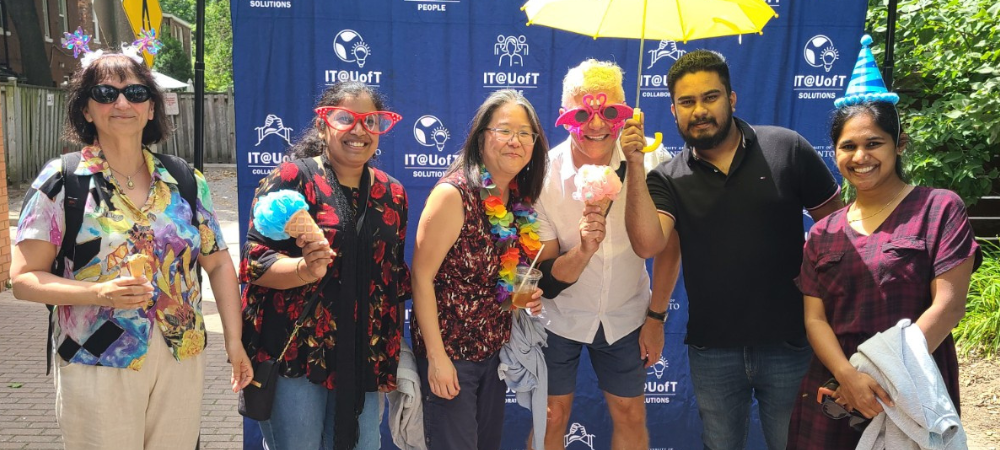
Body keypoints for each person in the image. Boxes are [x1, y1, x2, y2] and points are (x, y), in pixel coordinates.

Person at [10, 49, 252, 449]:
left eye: (136, 92)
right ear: (86, 110)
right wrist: (97, 292)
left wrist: (233, 340)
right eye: (105, 93)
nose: (122, 102)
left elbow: (220, 265)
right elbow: (23, 280)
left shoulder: (185, 180)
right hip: (96, 356)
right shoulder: (63, 180)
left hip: (181, 355)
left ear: (151, 107)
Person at [623, 50, 843, 449]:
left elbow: (839, 227)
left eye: (710, 97)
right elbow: (648, 244)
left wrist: (830, 303)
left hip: (791, 343)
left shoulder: (786, 148)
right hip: (714, 350)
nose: (699, 110)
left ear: (732, 99)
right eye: (687, 102)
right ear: (673, 111)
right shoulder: (667, 178)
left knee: (796, 444)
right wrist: (635, 165)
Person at [787, 57, 981, 449]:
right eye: (848, 146)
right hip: (835, 390)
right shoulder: (824, 231)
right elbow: (815, 319)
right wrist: (848, 377)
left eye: (873, 143)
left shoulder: (939, 209)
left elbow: (949, 306)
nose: (861, 157)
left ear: (899, 144)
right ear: (835, 152)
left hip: (912, 387)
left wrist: (877, 377)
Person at [240, 81, 410, 450]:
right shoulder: (291, 179)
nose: (359, 130)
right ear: (322, 126)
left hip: (362, 352)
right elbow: (254, 263)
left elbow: (392, 279)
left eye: (370, 121)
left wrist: (388, 360)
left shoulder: (392, 192)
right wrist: (303, 269)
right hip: (296, 352)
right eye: (345, 118)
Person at [532, 59, 673, 450]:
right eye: (583, 113)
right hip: (558, 319)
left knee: (630, 413)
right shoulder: (543, 176)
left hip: (627, 314)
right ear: (563, 117)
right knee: (550, 416)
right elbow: (544, 277)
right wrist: (584, 250)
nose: (596, 124)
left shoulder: (655, 161)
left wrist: (657, 317)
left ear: (627, 114)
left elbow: (667, 250)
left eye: (609, 111)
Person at [410, 89, 547, 450]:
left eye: (525, 133)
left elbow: (503, 280)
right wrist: (437, 359)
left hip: (494, 355)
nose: (515, 141)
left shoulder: (518, 201)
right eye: (504, 130)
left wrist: (525, 296)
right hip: (451, 355)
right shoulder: (453, 195)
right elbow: (420, 278)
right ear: (481, 136)